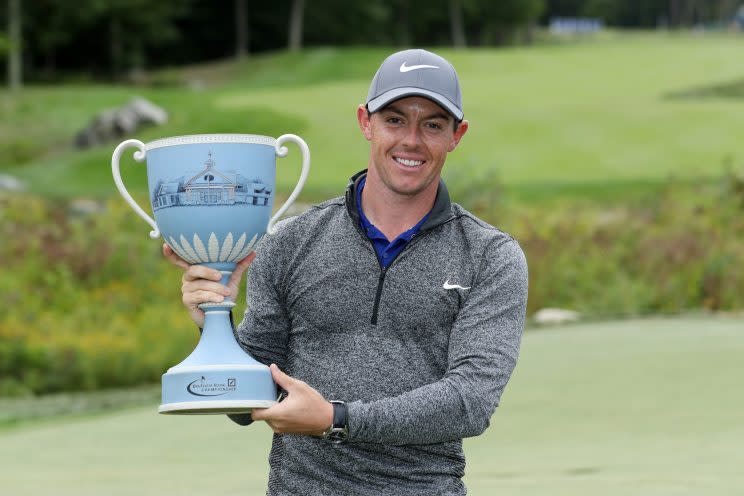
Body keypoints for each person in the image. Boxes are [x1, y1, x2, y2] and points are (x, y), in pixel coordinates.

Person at [164, 48, 528, 495]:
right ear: (365, 122)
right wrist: (214, 324)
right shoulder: (289, 242)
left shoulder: (490, 256)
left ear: (457, 135)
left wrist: (336, 420)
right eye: (394, 120)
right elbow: (245, 404)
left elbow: (469, 402)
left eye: (432, 124)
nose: (411, 140)